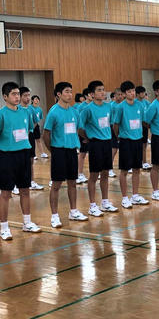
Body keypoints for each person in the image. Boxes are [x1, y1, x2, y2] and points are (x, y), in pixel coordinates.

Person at [0, 81, 42, 240]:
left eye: (18, 94)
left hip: (23, 155)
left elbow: (28, 130)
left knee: (25, 190)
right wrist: (7, 140)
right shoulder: (0, 115)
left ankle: (27, 223)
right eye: (13, 94)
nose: (17, 97)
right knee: (6, 193)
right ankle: (4, 228)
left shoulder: (26, 112)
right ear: (5, 97)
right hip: (7, 156)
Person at [44, 82, 90, 228]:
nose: (70, 94)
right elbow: (46, 134)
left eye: (71, 91)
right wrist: (53, 150)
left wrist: (86, 138)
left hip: (72, 151)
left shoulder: (74, 112)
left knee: (72, 183)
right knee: (56, 185)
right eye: (66, 92)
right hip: (58, 151)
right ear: (59, 94)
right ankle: (54, 216)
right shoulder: (53, 112)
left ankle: (73, 211)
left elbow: (78, 129)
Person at [77, 80, 119, 218]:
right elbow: (80, 127)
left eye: (103, 89)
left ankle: (105, 202)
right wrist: (88, 138)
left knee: (105, 173)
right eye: (99, 90)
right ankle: (92, 205)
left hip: (107, 142)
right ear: (92, 94)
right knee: (94, 175)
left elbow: (110, 124)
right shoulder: (87, 109)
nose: (102, 92)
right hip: (95, 144)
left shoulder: (108, 107)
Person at [112, 81, 150, 208]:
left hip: (138, 140)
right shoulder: (120, 107)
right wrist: (119, 137)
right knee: (124, 170)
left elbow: (143, 121)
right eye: (129, 92)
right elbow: (116, 125)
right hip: (126, 141)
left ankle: (135, 195)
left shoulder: (140, 105)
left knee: (136, 169)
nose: (132, 93)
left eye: (133, 91)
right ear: (124, 94)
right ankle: (124, 198)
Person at [19, 87, 44, 191]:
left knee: (31, 160)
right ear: (20, 96)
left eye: (29, 95)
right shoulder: (16, 108)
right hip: (19, 137)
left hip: (29, 136)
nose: (28, 98)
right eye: (25, 95)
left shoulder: (31, 109)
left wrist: (29, 130)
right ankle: (17, 184)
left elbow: (35, 122)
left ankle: (31, 181)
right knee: (19, 161)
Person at [75, 88, 92, 184]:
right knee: (82, 154)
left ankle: (93, 172)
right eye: (90, 94)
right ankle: (79, 174)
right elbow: (79, 121)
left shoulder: (94, 105)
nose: (92, 95)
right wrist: (83, 135)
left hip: (92, 134)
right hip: (84, 133)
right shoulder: (81, 107)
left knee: (92, 154)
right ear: (86, 96)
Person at [135, 85, 152, 170]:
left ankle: (144, 162)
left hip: (145, 125)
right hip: (137, 126)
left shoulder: (147, 103)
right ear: (137, 94)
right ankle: (135, 162)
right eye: (142, 93)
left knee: (144, 145)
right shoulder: (134, 103)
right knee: (136, 146)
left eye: (144, 92)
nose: (143, 94)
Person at [30, 95, 49, 159]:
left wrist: (35, 125)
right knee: (32, 141)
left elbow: (39, 118)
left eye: (38, 99)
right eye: (35, 99)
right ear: (32, 100)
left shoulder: (39, 109)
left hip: (36, 126)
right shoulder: (29, 108)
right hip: (30, 126)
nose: (37, 100)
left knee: (38, 139)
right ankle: (33, 154)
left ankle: (42, 153)